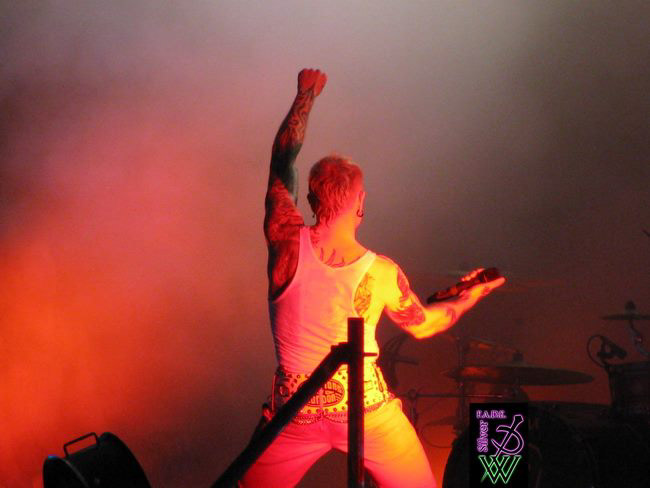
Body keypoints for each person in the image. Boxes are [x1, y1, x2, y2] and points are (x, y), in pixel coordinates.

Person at [242, 69, 505, 488]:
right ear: (361, 202)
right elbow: (425, 325)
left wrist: (305, 94)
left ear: (309, 199)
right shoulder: (382, 272)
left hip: (294, 414)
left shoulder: (284, 241)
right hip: (366, 413)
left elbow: (282, 162)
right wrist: (471, 295)